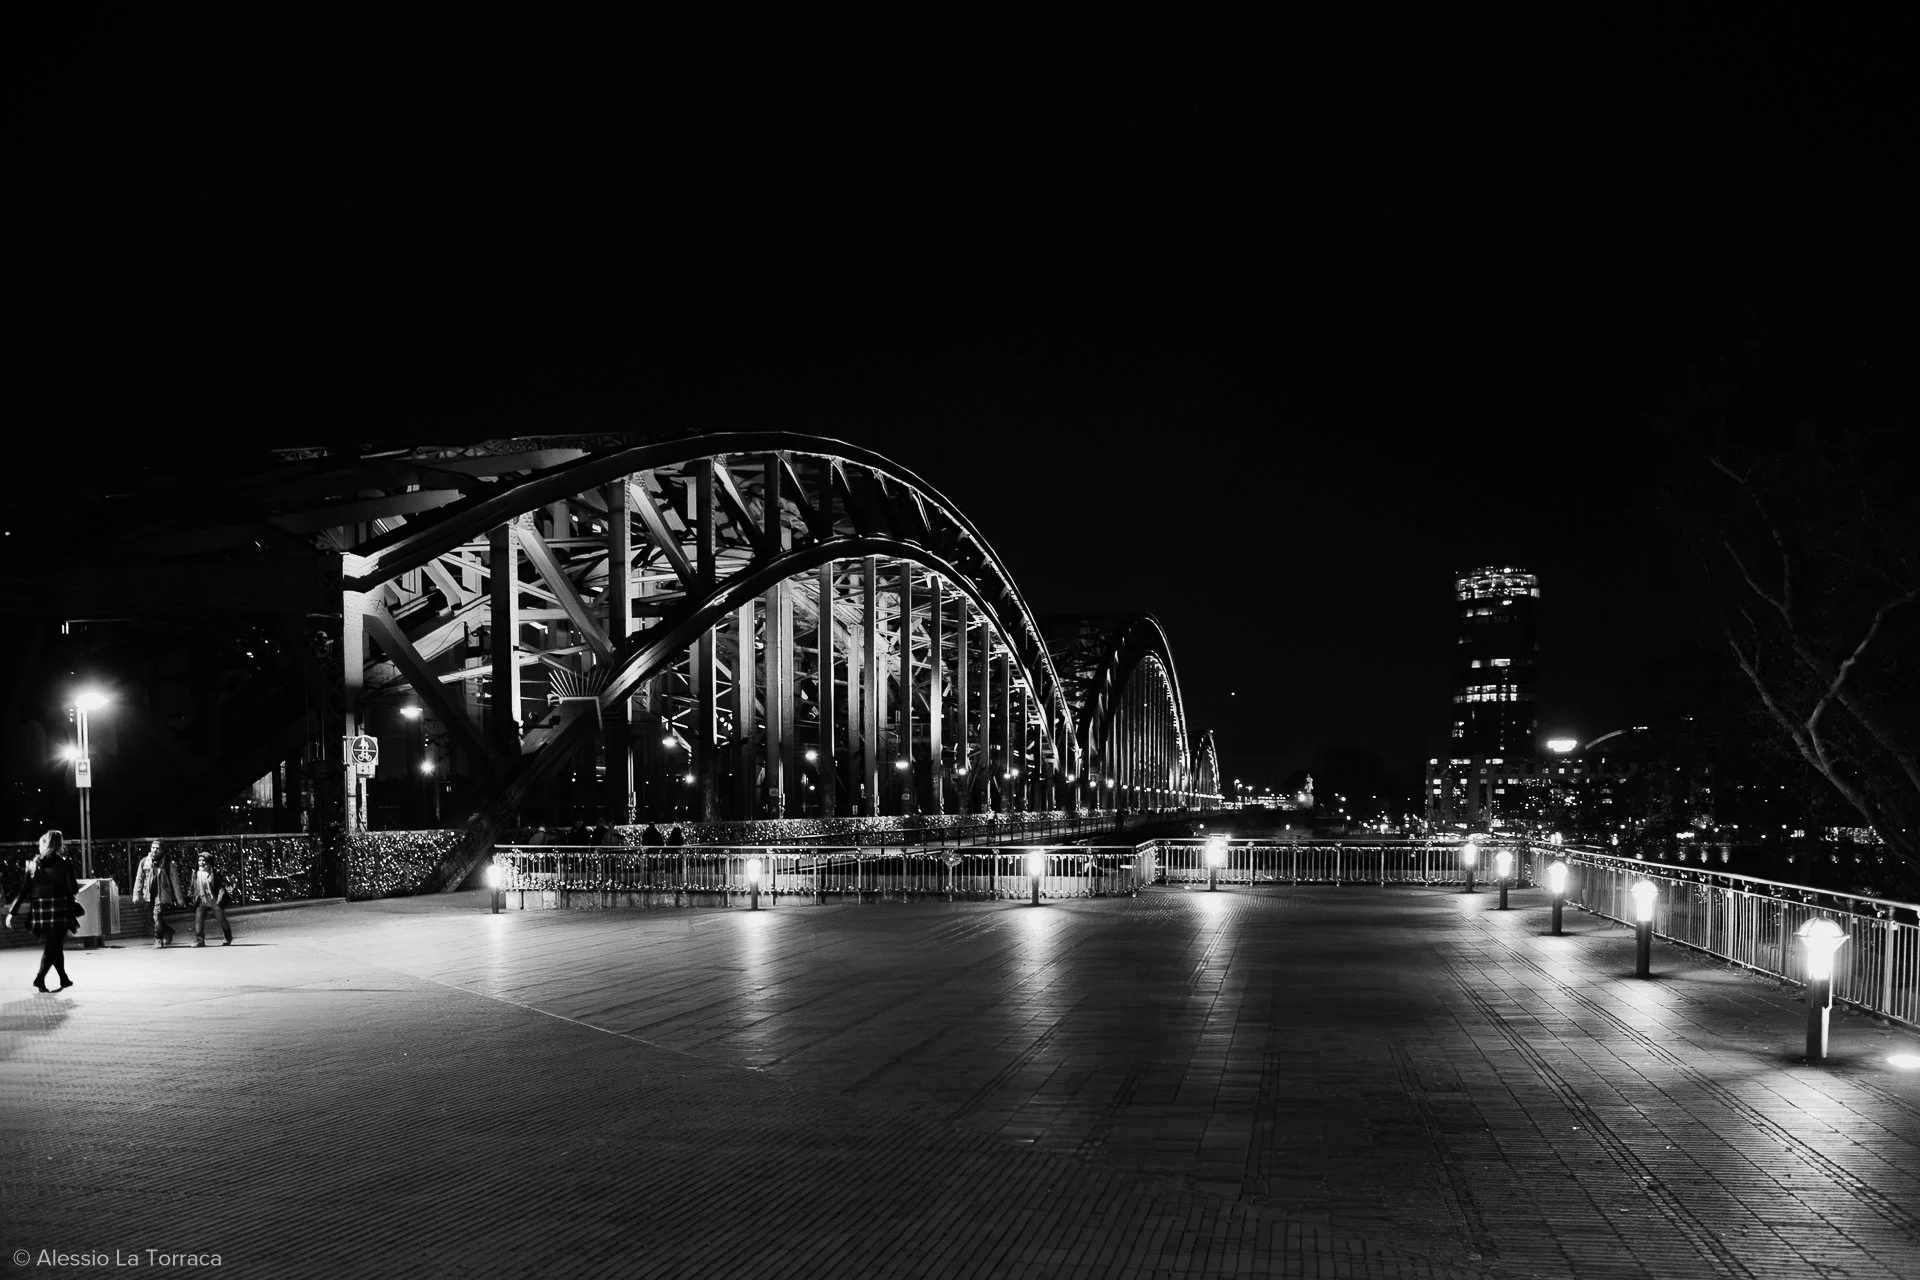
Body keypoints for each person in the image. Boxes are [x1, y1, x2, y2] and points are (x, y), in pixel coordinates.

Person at [18, 830, 79, 991]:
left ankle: (63, 978)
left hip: (40, 910)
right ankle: (40, 978)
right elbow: (73, 888)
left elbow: (24, 890)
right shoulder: (64, 863)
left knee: (55, 944)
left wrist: (12, 912)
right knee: (53, 945)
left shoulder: (34, 863)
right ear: (59, 844)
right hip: (59, 908)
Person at [132, 840, 185, 948]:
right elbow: (139, 879)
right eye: (153, 848)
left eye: (157, 848)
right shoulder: (144, 862)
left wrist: (179, 898)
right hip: (149, 894)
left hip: (162, 894)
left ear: (162, 850)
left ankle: (158, 939)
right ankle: (169, 931)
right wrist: (136, 895)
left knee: (157, 916)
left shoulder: (168, 863)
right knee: (152, 918)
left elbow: (175, 882)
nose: (154, 850)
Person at [189, 851, 234, 947]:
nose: (201, 863)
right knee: (198, 921)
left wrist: (219, 900)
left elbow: (221, 887)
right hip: (201, 900)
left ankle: (228, 937)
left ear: (209, 861)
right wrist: (192, 896)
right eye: (199, 860)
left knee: (222, 920)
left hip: (214, 900)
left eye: (203, 860)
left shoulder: (215, 873)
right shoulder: (195, 873)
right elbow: (193, 886)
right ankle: (200, 940)